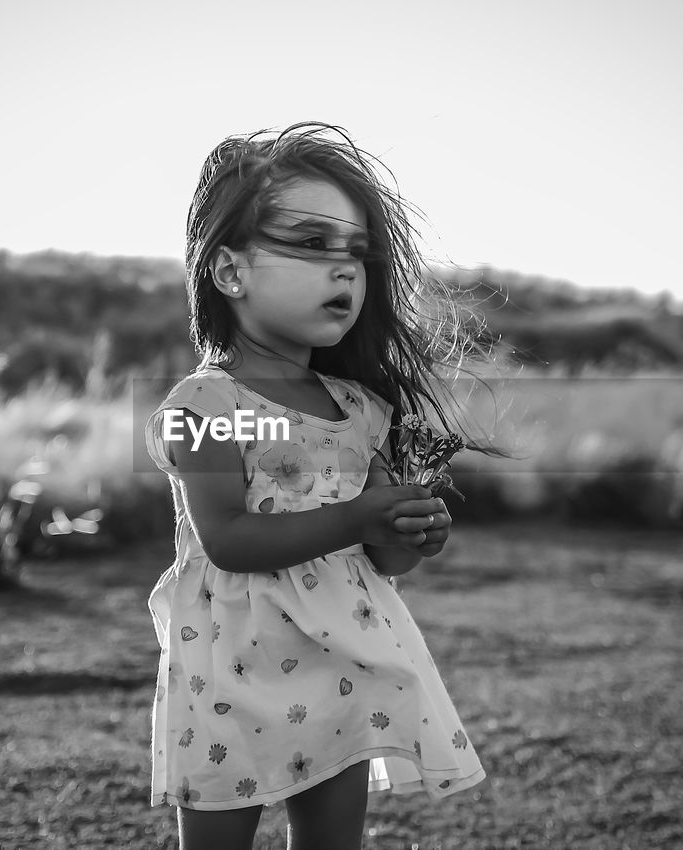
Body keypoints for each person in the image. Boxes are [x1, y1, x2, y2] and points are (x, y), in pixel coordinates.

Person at [143, 122, 499, 850]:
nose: (344, 271)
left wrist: (408, 534)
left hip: (340, 662)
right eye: (310, 244)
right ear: (230, 272)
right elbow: (231, 541)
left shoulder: (359, 411)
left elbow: (380, 558)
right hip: (230, 670)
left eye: (356, 254)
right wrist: (363, 516)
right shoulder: (204, 408)